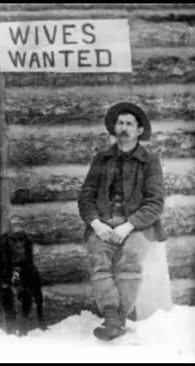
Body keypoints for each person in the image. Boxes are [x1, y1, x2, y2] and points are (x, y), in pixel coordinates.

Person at [78, 102, 166, 341]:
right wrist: (96, 223)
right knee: (98, 258)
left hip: (137, 226)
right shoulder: (102, 158)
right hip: (104, 224)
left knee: (130, 259)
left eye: (129, 123)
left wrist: (129, 225)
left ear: (139, 131)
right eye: (120, 123)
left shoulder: (149, 161)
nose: (123, 128)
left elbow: (155, 203)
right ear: (114, 128)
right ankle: (111, 318)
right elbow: (86, 195)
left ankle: (118, 319)